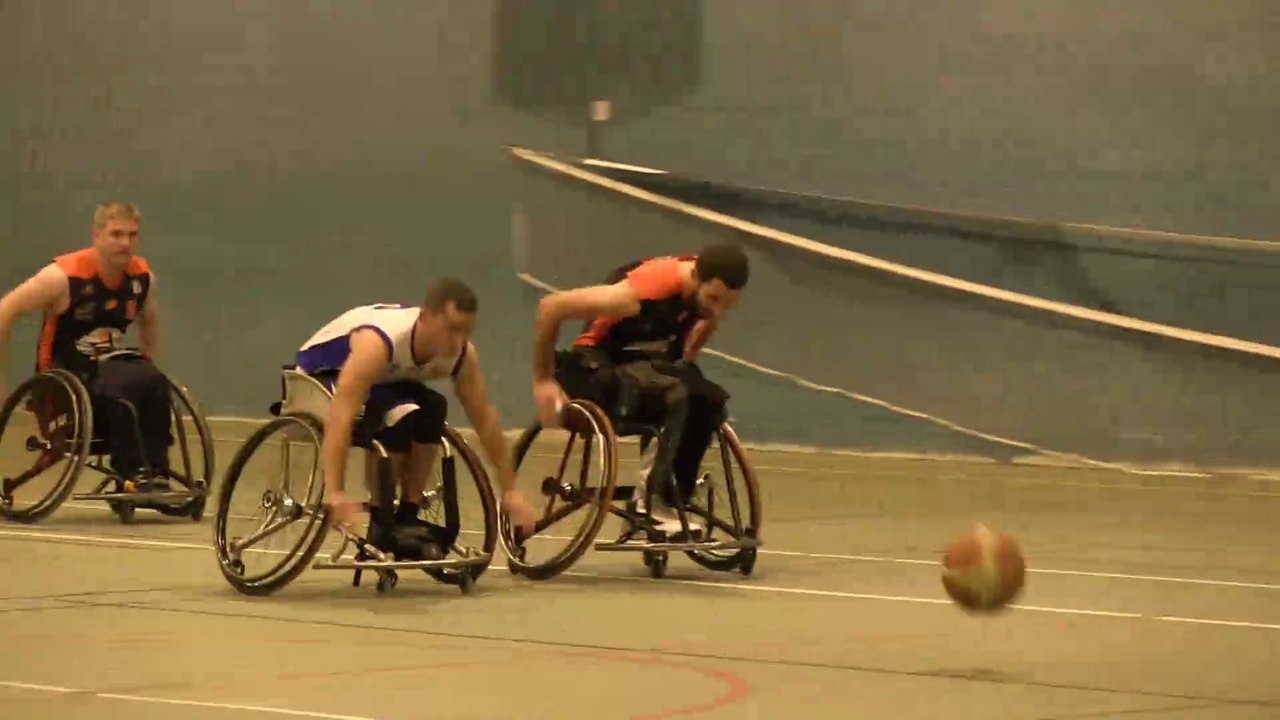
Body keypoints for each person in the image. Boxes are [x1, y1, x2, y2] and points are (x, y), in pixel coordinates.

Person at [295, 279, 535, 559]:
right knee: (401, 414)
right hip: (322, 374)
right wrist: (335, 491)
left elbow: (485, 420)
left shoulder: (462, 354)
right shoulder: (379, 343)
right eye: (451, 329)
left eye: (465, 331)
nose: (456, 341)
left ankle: (408, 515)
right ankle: (381, 519)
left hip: (385, 380)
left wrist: (510, 490)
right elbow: (341, 414)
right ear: (425, 317)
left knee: (434, 409)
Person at [530, 243, 749, 536]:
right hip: (597, 367)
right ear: (695, 277)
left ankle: (673, 497)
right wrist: (543, 380)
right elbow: (551, 307)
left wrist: (688, 365)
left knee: (707, 398)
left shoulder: (709, 295)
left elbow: (703, 328)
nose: (717, 310)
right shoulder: (643, 291)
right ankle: (646, 506)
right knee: (675, 393)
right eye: (714, 299)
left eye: (727, 305)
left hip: (644, 368)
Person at [0, 202, 172, 492]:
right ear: (97, 235)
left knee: (153, 381)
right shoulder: (62, 277)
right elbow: (5, 311)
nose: (125, 243)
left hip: (109, 368)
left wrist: (148, 361)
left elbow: (150, 322)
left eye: (132, 235)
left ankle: (156, 469)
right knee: (124, 382)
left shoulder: (143, 278)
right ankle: (131, 472)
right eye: (116, 234)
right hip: (64, 379)